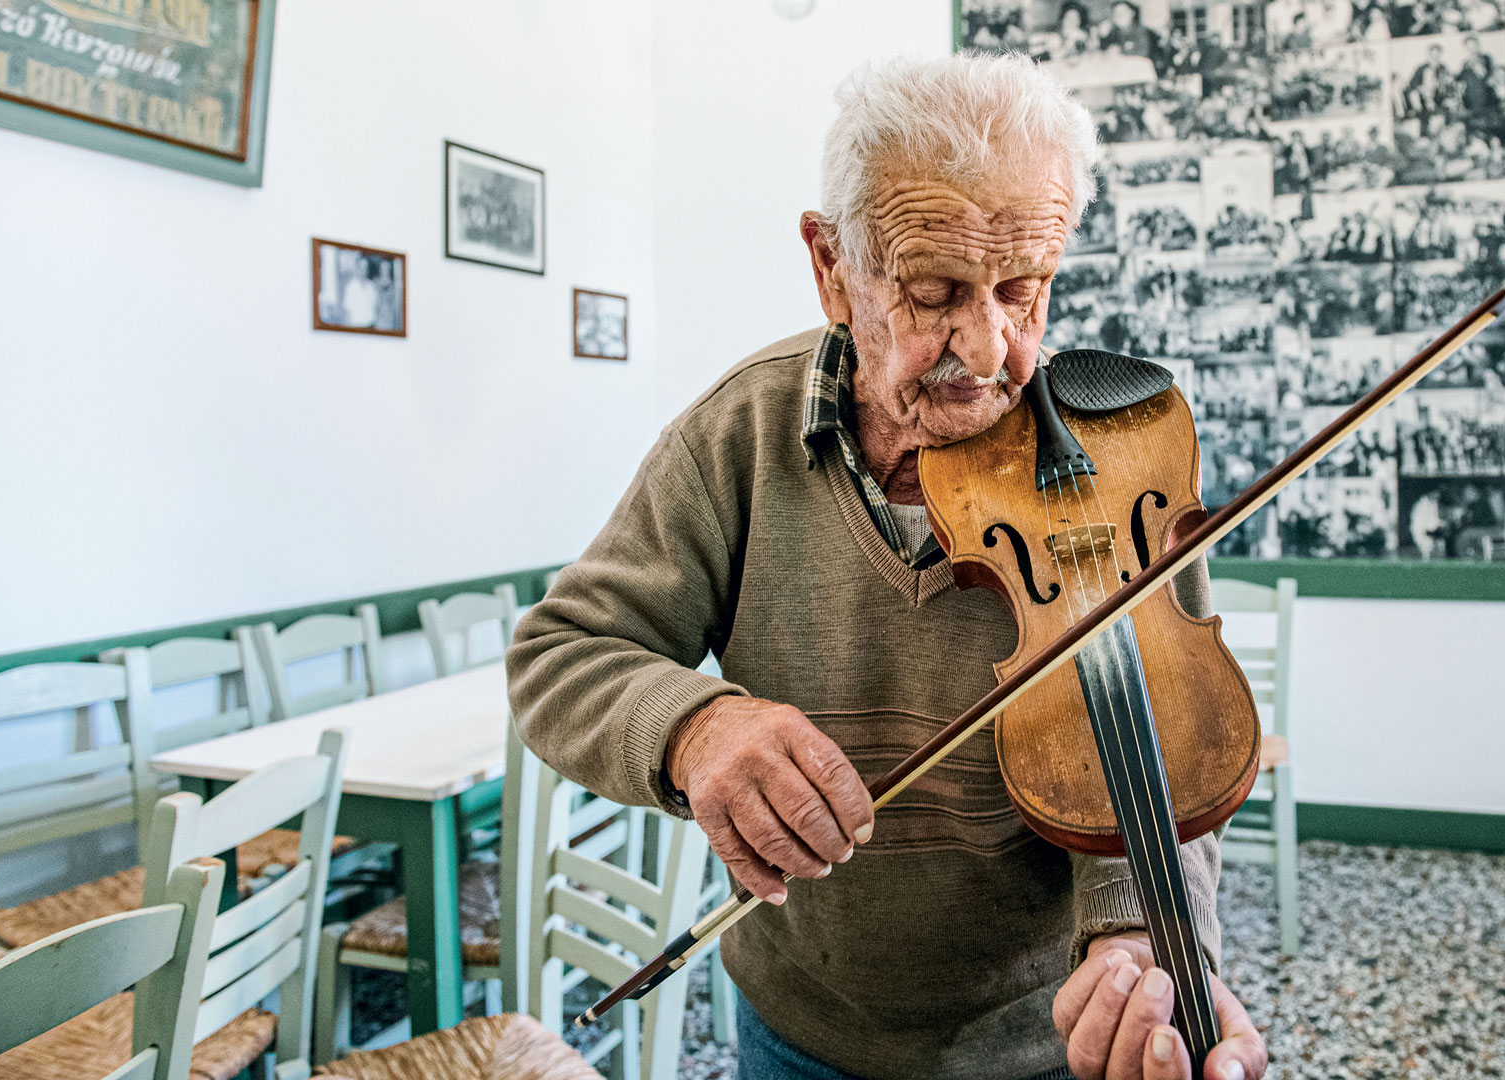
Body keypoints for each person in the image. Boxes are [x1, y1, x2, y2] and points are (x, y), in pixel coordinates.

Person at [508, 53, 1267, 1080]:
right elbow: (561, 655)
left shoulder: (1120, 451)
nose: (993, 346)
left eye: (1023, 288)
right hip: (804, 1027)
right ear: (832, 268)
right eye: (933, 292)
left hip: (1041, 1035)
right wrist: (695, 727)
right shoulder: (739, 436)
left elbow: (1165, 749)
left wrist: (1138, 935)